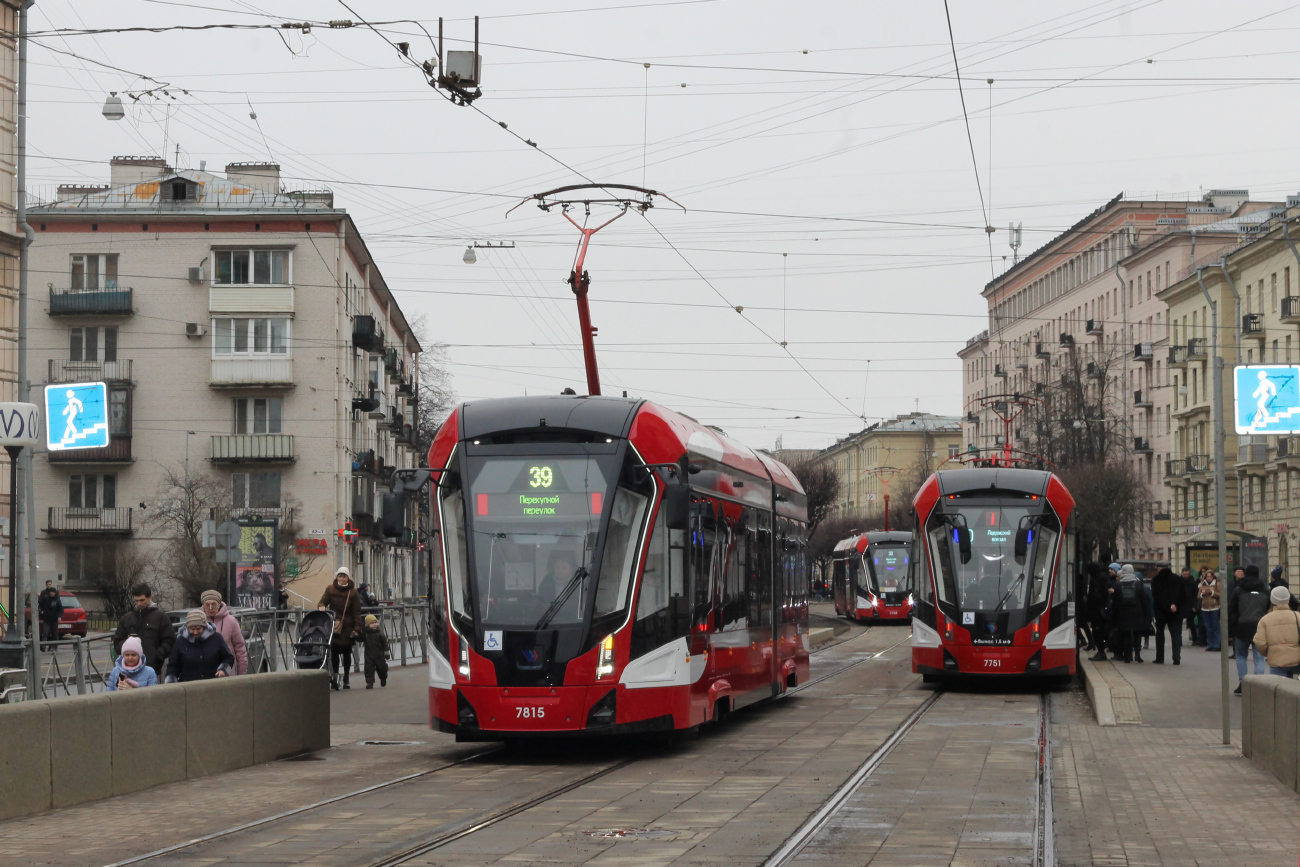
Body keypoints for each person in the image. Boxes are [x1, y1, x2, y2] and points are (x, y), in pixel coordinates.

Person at [113, 582, 176, 679]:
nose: (139, 604)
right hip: (129, 671)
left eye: (142, 600)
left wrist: (156, 656)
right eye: (136, 601)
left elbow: (170, 641)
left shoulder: (160, 617)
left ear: (150, 597)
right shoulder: (127, 618)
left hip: (152, 669)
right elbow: (117, 642)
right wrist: (127, 644)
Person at [1228, 564, 1271, 694]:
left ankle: (1243, 683)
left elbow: (1232, 609)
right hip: (1260, 627)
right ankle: (1258, 685)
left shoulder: (1239, 590)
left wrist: (1233, 628)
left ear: (1246, 574)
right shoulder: (1265, 591)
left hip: (1242, 627)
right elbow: (1269, 609)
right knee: (1259, 657)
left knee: (1241, 655)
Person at [319, 566, 362, 690]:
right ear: (337, 577)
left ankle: (347, 678)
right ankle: (336, 675)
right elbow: (323, 601)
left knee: (347, 653)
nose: (342, 578)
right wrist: (321, 606)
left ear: (348, 578)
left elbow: (356, 612)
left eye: (344, 576)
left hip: (348, 627)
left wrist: (357, 628)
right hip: (334, 625)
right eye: (340, 576)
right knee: (335, 652)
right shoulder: (330, 588)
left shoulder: (353, 591)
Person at [165, 610, 234, 683]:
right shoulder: (180, 641)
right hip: (188, 687)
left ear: (204, 626)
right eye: (192, 629)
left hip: (213, 685)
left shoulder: (217, 638)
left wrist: (223, 670)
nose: (195, 632)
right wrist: (171, 682)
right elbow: (173, 665)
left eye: (198, 629)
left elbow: (228, 657)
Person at [1254, 586, 1300, 678]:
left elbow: (1260, 642)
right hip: (1297, 660)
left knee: (1278, 688)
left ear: (1272, 599)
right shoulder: (1298, 616)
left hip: (1277, 661)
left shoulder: (1265, 619)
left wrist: (1269, 653)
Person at [201, 590, 248, 676]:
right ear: (203, 606)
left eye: (214, 604)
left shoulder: (231, 621)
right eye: (207, 605)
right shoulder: (199, 622)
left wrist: (242, 674)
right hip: (204, 673)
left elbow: (240, 648)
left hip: (228, 671)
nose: (210, 608)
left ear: (219, 605)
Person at [1150, 566, 1190, 665]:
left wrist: (1167, 606)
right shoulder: (1178, 579)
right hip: (1175, 612)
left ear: (1160, 569)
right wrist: (1175, 606)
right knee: (1176, 635)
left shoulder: (1156, 580)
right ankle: (1176, 657)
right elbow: (1183, 596)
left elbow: (1156, 597)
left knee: (1159, 635)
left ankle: (1160, 658)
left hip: (1161, 612)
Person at [1114, 564, 1152, 663]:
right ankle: (1138, 656)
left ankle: (1127, 656)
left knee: (1126, 635)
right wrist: (1145, 612)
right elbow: (1143, 599)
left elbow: (1115, 601)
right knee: (1137, 634)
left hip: (1123, 613)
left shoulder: (1118, 584)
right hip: (1137, 612)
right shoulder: (1138, 583)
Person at [1088, 562, 1118, 662]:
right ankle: (1111, 650)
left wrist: (1090, 605)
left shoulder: (1096, 581)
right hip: (1103, 611)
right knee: (1102, 631)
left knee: (1097, 632)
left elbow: (1095, 597)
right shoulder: (1105, 579)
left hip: (1097, 611)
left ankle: (1101, 652)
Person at [361, 614, 389, 689]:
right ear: (367, 625)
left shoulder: (379, 633)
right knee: (368, 669)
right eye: (372, 623)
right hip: (369, 655)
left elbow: (385, 643)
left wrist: (386, 652)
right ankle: (370, 682)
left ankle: (383, 678)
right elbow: (360, 638)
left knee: (382, 669)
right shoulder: (365, 634)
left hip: (379, 655)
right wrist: (355, 635)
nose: (374, 625)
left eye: (375, 623)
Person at [1198, 569, 1222, 652]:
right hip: (1205, 608)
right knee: (1208, 628)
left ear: (1213, 577)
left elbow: (1220, 594)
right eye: (1207, 576)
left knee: (1215, 627)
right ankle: (1210, 644)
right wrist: (1202, 594)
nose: (1209, 578)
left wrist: (1212, 593)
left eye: (1210, 576)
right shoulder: (1202, 584)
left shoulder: (1217, 584)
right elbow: (1199, 596)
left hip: (1214, 607)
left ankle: (1217, 644)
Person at [37, 580, 63, 648]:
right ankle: (43, 646)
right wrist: (41, 610)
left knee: (55, 633)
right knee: (45, 633)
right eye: (48, 584)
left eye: (50, 584)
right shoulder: (45, 596)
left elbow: (60, 608)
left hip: (54, 619)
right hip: (47, 618)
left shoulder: (57, 599)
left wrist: (60, 616)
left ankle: (54, 646)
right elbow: (40, 603)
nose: (51, 593)